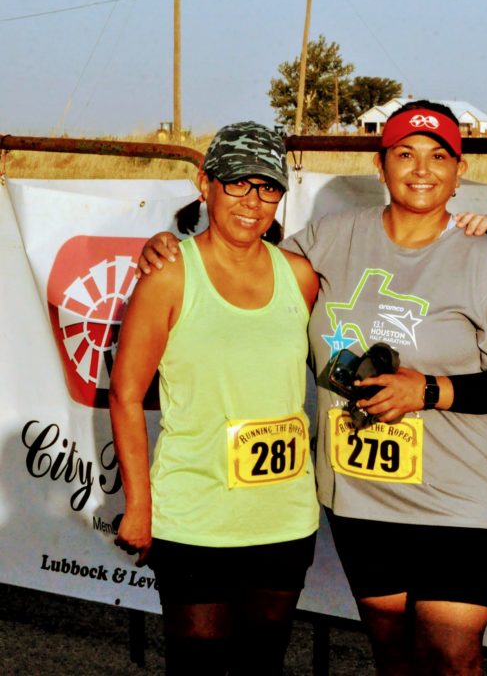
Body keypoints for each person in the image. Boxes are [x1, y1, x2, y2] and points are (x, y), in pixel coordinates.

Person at [135, 101, 487, 676]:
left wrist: (427, 391)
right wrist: (167, 242)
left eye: (438, 157)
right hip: (362, 496)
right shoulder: (326, 239)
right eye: (404, 154)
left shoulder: (485, 257)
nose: (420, 170)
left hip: (459, 500)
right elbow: (239, 255)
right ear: (381, 166)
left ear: (460, 171)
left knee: (451, 657)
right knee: (393, 654)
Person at [110, 121, 321, 675]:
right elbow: (127, 395)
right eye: (237, 183)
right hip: (195, 516)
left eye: (268, 187)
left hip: (283, 518)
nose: (253, 202)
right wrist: (139, 506)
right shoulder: (171, 275)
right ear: (205, 184)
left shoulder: (299, 276)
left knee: (262, 664)